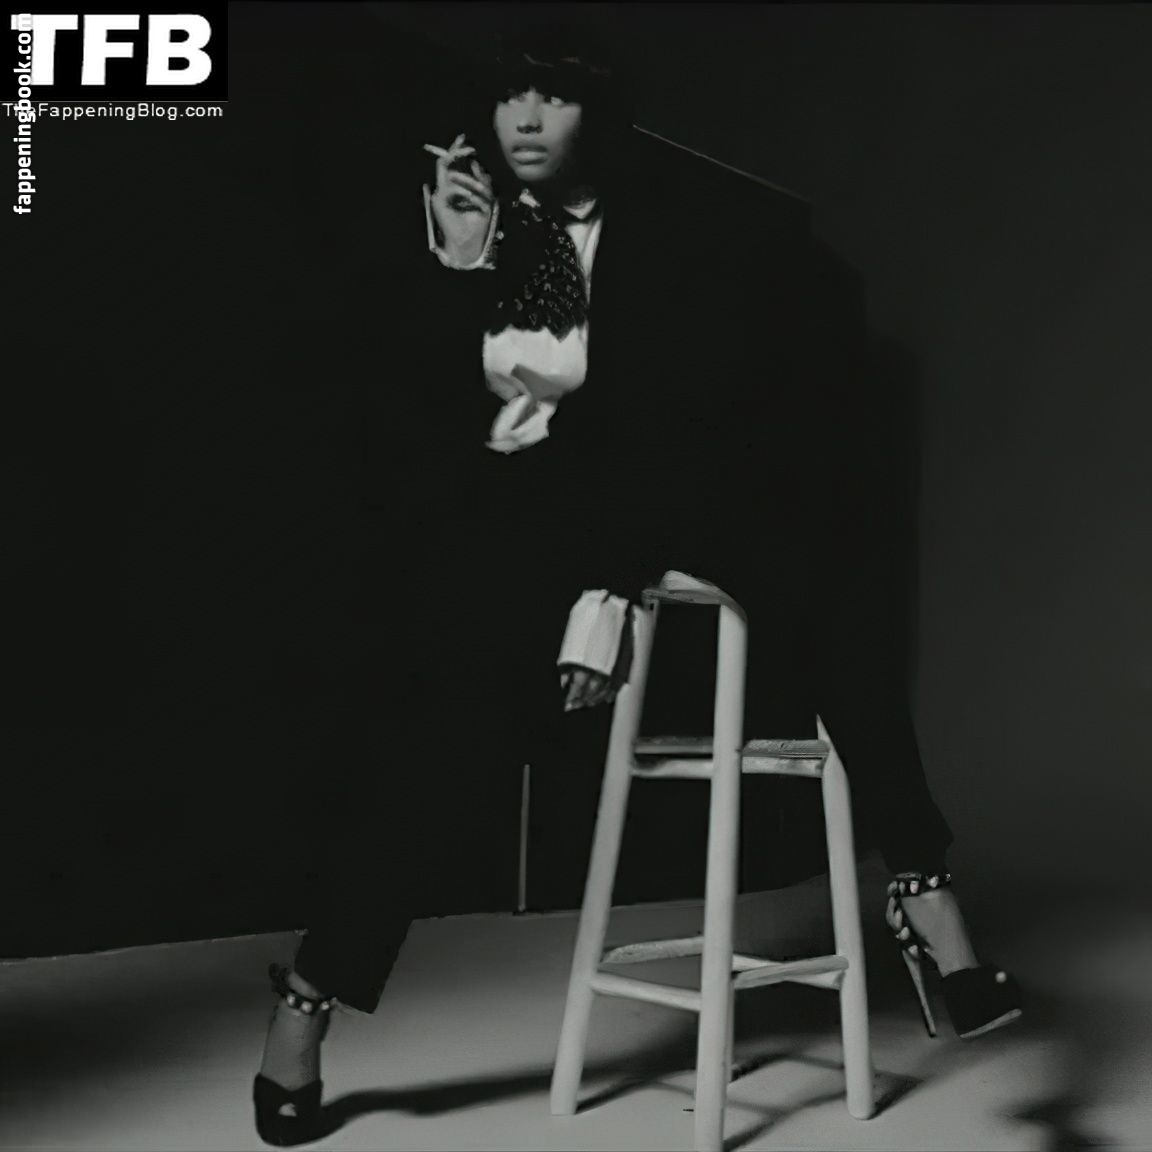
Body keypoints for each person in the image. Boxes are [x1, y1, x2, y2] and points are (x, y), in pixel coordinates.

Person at [252, 18, 1021, 1147]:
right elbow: (409, 432)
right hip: (509, 511)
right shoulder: (458, 225)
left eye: (553, 97)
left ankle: (922, 887)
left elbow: (669, 423)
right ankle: (310, 997)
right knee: (442, 736)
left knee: (830, 572)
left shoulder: (666, 226)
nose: (524, 119)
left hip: (651, 496)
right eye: (510, 95)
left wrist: (608, 591)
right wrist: (458, 269)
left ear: (597, 113)